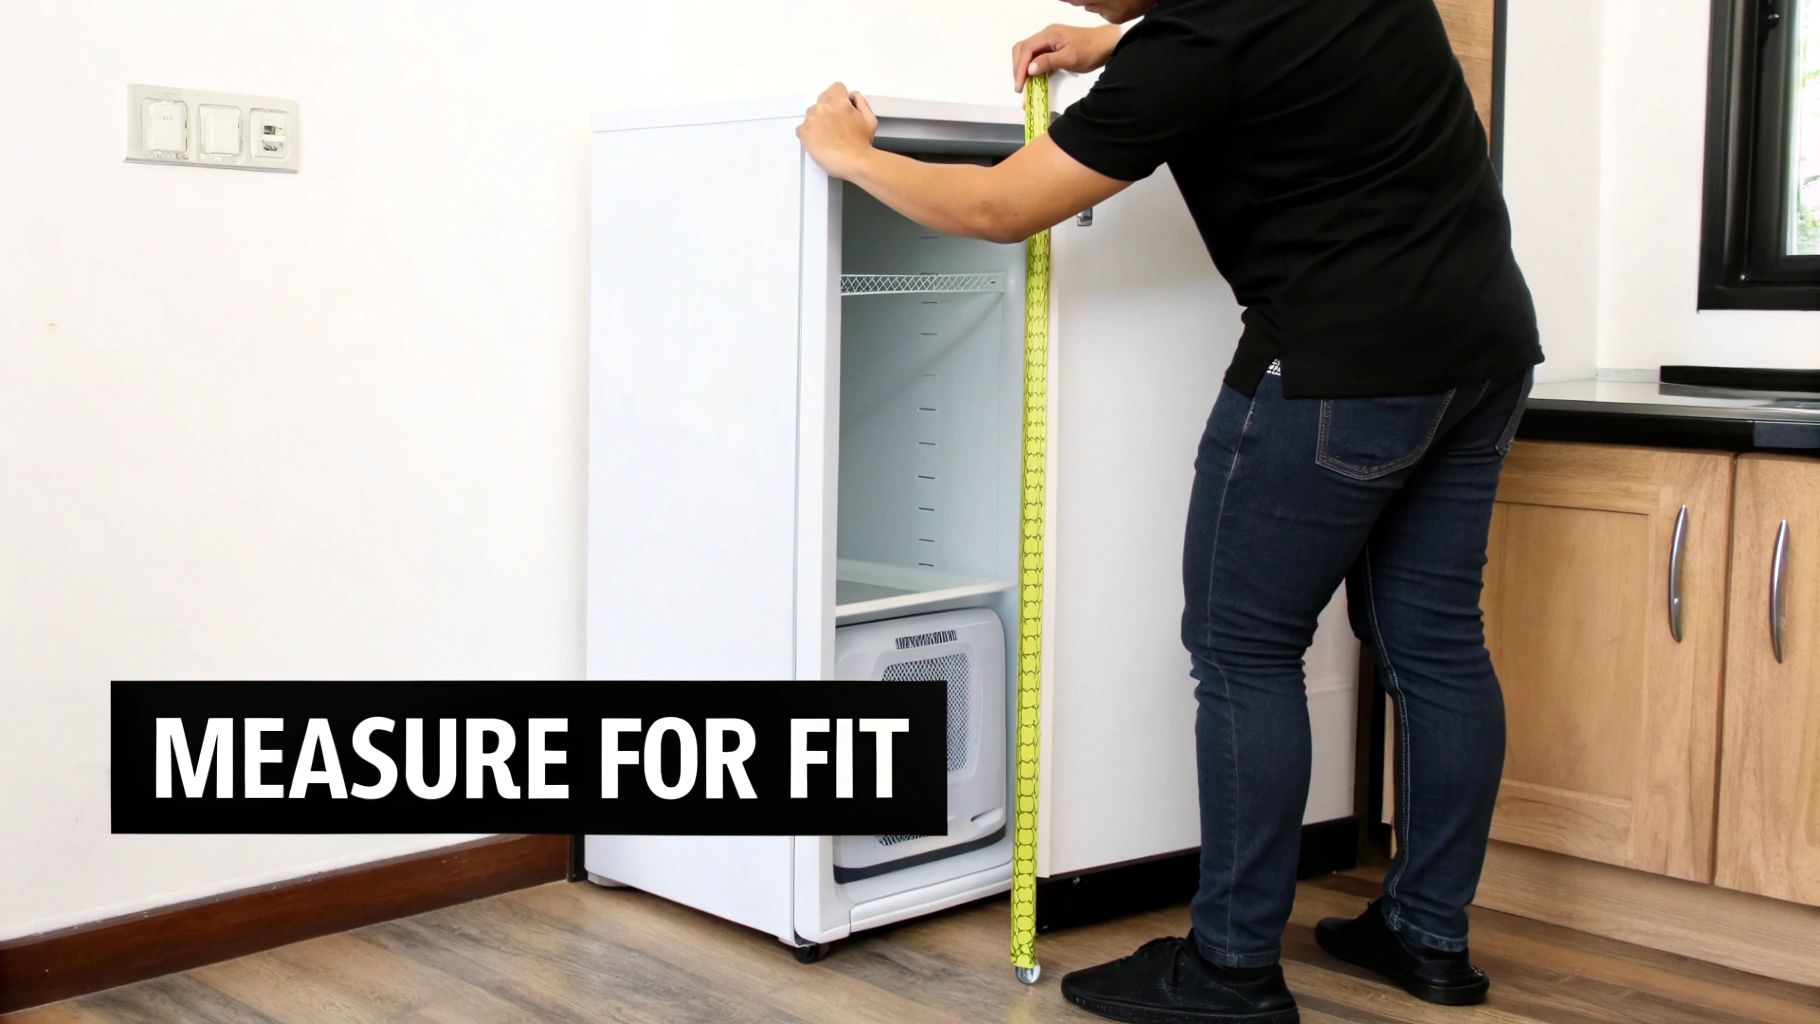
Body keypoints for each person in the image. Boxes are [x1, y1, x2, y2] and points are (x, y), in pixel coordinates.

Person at [797, 0, 1542, 1020]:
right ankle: (1426, 932)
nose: (1075, 2)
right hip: (1482, 347)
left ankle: (1230, 969)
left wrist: (852, 156)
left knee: (1241, 648)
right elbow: (1287, 51)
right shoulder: (1215, 31)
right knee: (1437, 642)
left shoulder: (1193, 48)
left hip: (1336, 369)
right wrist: (1117, 46)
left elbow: (1000, 206)